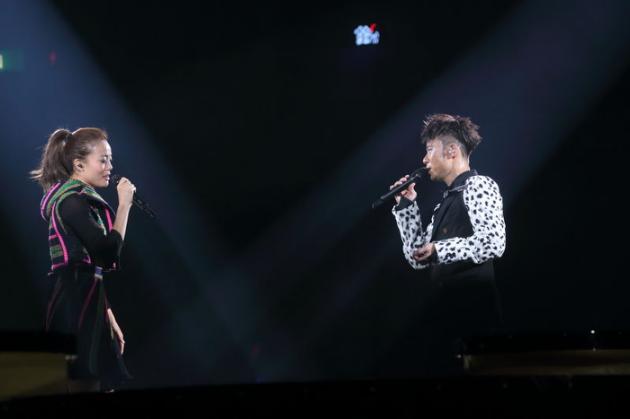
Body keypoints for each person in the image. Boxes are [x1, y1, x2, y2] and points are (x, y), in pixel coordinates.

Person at [390, 113, 506, 375]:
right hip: (445, 316)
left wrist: (439, 250)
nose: (424, 159)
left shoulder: (479, 185)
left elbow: (493, 242)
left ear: (452, 150)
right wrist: (406, 206)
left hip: (475, 317)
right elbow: (417, 258)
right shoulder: (445, 202)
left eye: (430, 149)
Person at [31, 127, 135, 392]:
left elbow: (86, 263)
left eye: (110, 159)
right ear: (79, 164)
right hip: (75, 300)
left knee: (95, 381)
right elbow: (107, 254)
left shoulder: (73, 199)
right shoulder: (72, 202)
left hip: (83, 296)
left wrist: (106, 311)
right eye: (103, 160)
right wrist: (124, 205)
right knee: (85, 381)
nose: (110, 167)